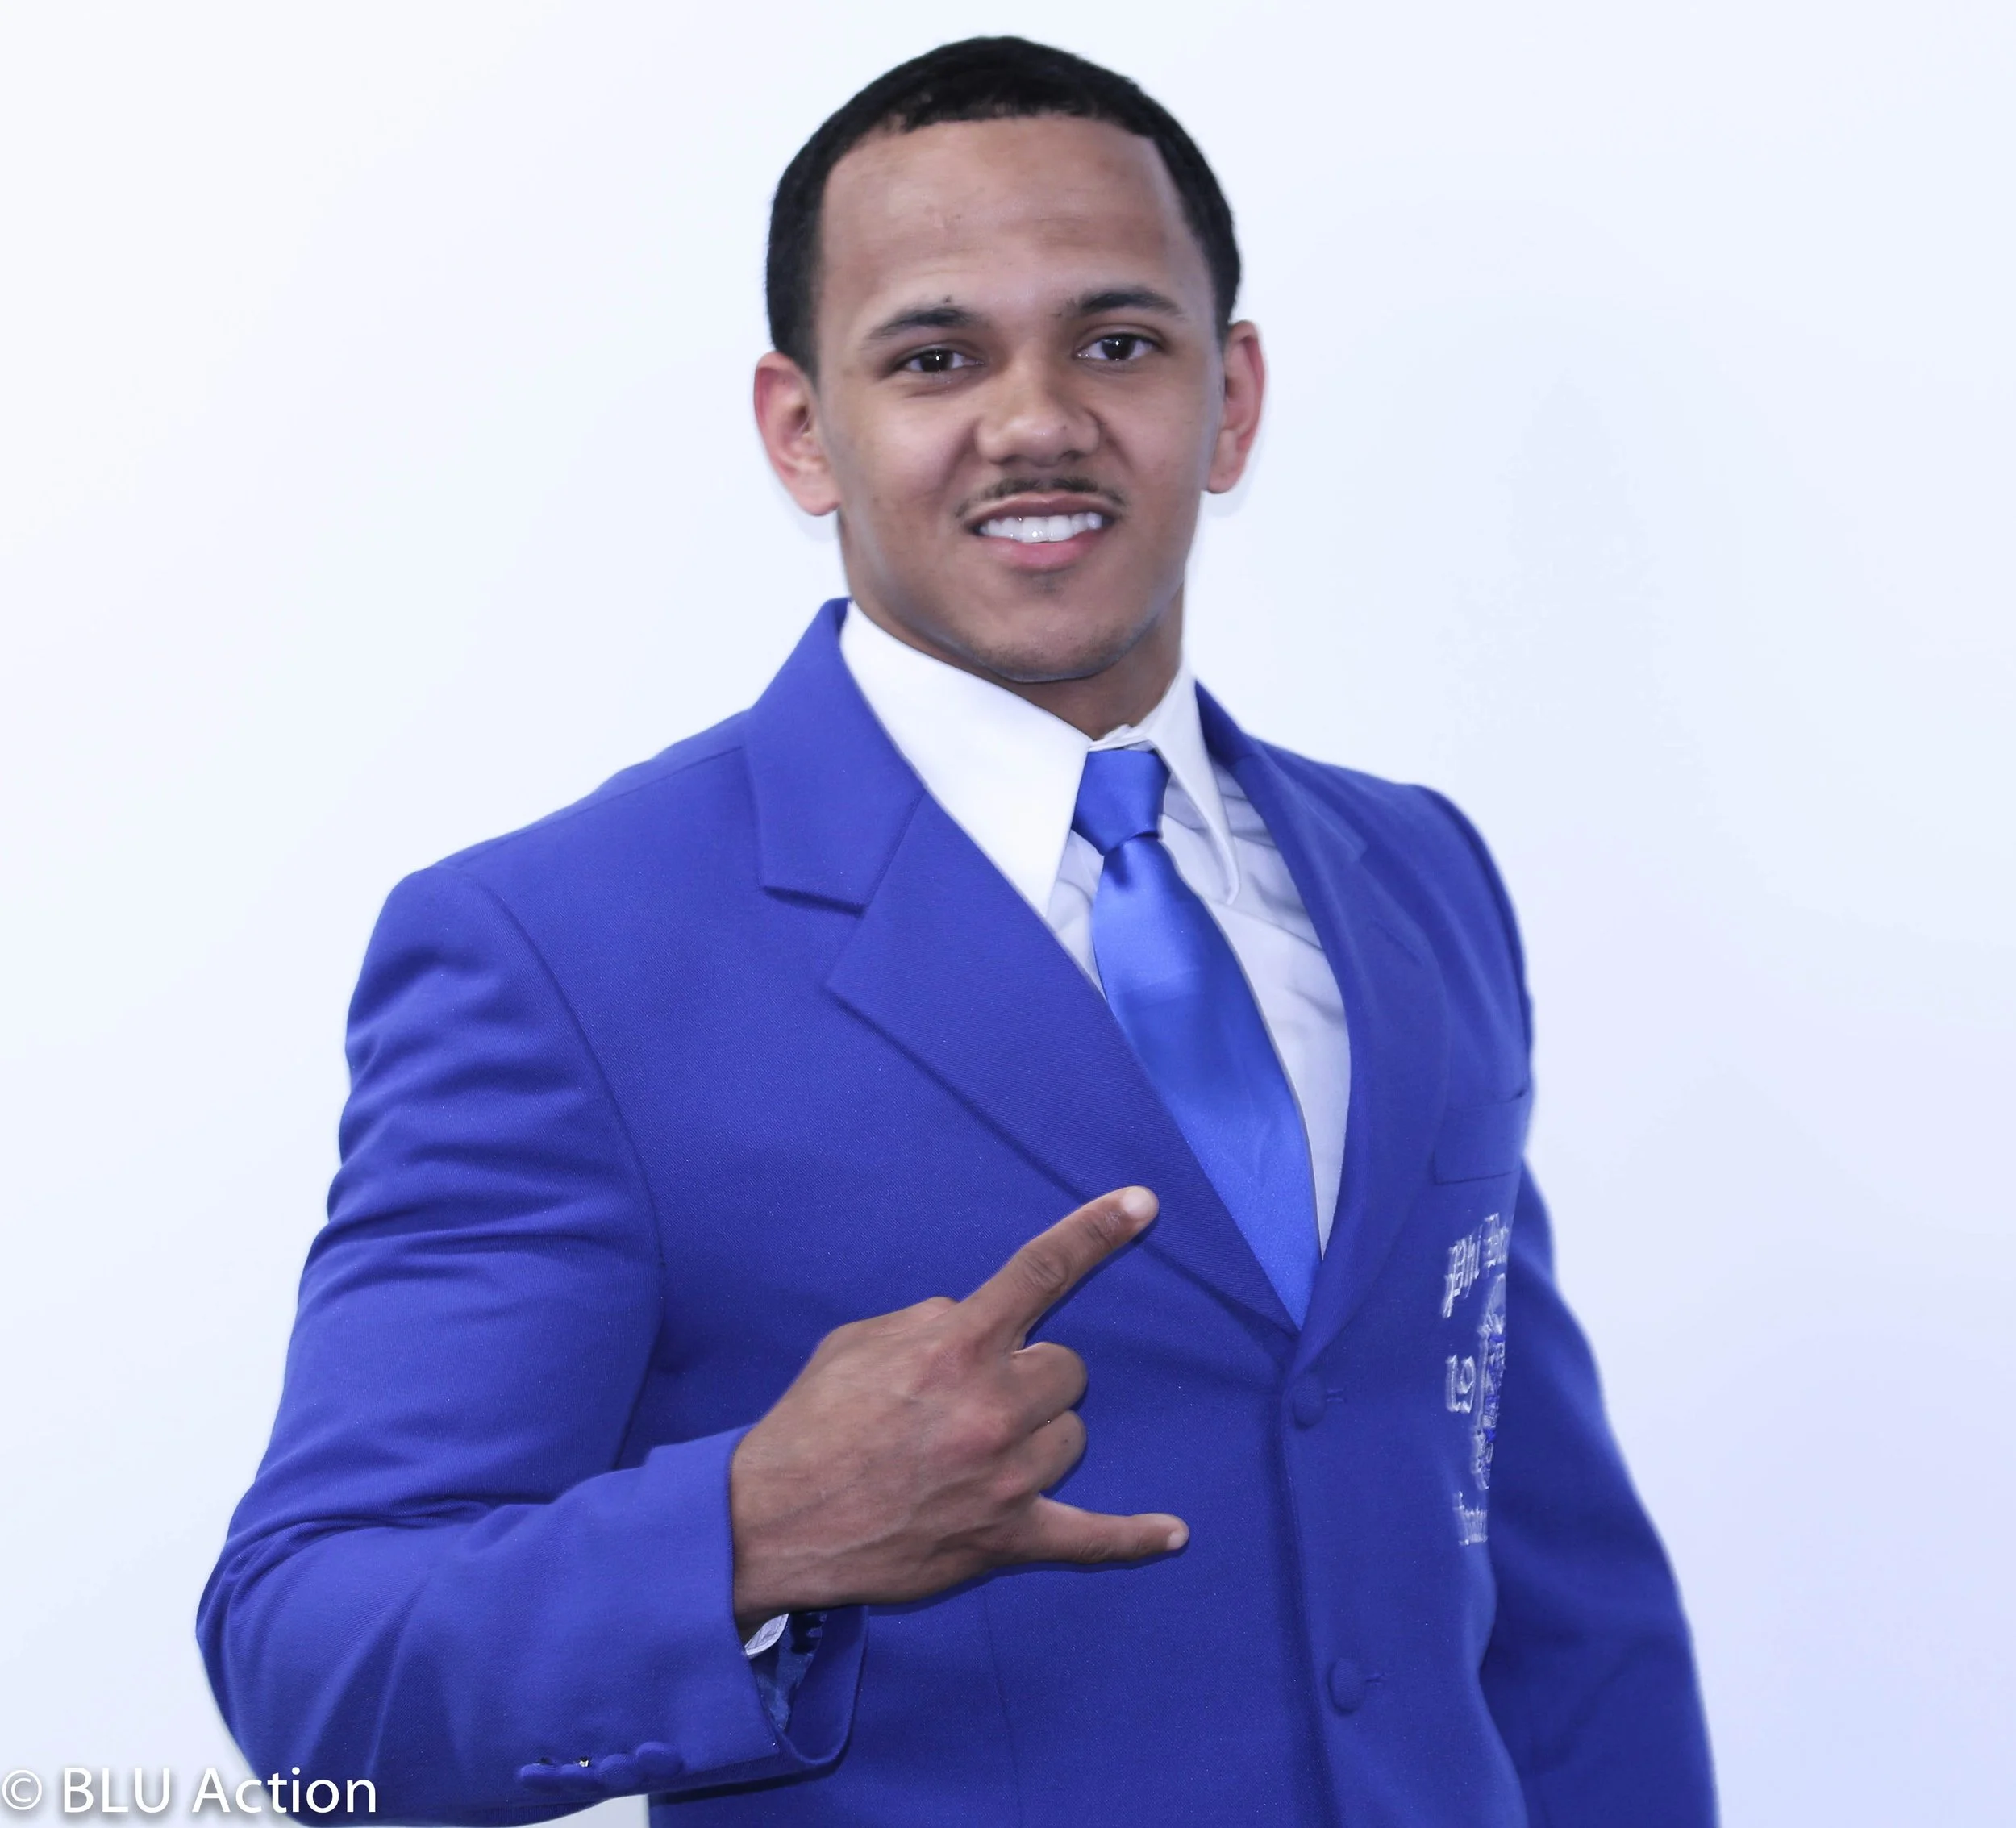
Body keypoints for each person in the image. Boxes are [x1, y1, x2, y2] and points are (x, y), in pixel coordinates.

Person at [199, 35, 1715, 1827]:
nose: (1035, 418)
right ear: (800, 428)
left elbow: (1546, 1576)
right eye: (934, 355)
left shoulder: (1413, 876)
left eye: (1115, 340)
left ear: (1228, 401)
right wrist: (748, 1526)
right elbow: (316, 1669)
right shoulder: (558, 949)